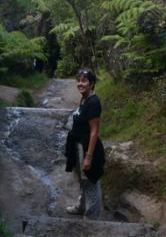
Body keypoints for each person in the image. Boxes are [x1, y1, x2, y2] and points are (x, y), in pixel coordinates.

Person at [64, 68, 105, 219]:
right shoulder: (85, 99)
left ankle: (91, 219)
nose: (80, 83)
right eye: (78, 80)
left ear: (91, 83)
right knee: (82, 181)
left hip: (87, 148)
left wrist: (88, 156)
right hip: (78, 146)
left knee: (90, 182)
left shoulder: (93, 102)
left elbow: (94, 131)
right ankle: (81, 207)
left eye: (84, 80)